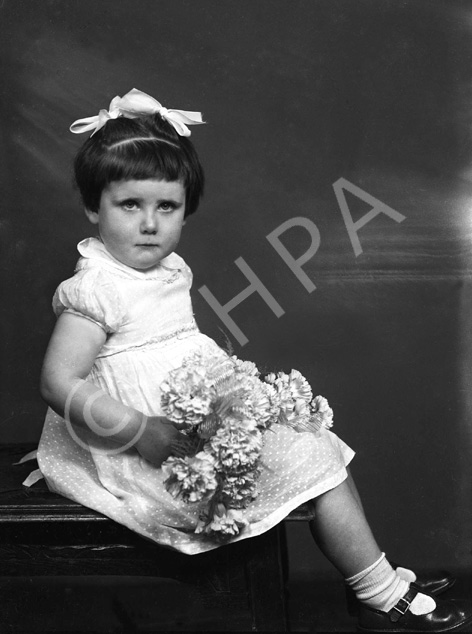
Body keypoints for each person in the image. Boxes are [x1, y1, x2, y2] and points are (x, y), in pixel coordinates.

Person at [37, 88, 472, 632]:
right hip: (146, 446)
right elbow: (58, 381)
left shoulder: (166, 269)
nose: (149, 224)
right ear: (92, 206)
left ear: (185, 211)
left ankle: (374, 576)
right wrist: (140, 429)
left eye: (166, 207)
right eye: (130, 205)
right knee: (317, 460)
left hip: (195, 418)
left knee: (320, 449)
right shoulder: (97, 287)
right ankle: (377, 591)